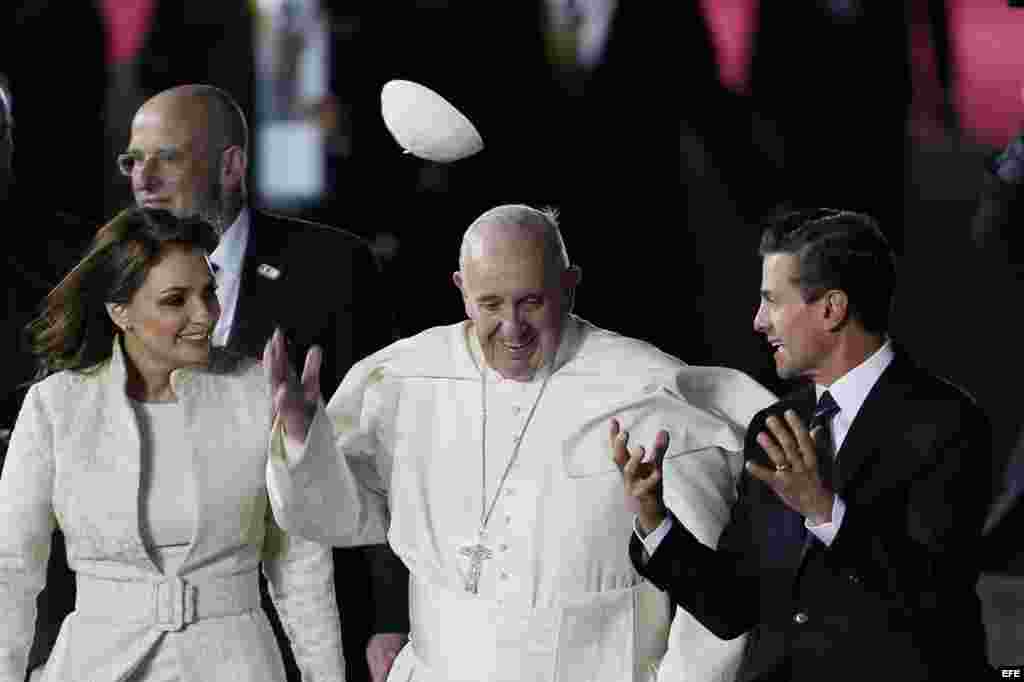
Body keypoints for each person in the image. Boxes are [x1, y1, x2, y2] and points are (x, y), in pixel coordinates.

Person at [262, 203, 778, 681]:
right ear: (461, 289)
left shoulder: (646, 389)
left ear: (570, 287)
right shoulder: (404, 378)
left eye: (531, 302)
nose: (512, 329)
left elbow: (710, 596)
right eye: (490, 304)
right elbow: (337, 517)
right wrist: (303, 441)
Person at [615, 208, 994, 681]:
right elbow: (733, 608)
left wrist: (824, 510)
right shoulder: (774, 425)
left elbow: (932, 596)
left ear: (832, 309)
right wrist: (654, 519)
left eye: (772, 301)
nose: (758, 322)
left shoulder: (948, 421)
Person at [121, 83, 405, 681]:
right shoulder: (108, 283)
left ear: (231, 166)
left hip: (307, 616)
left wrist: (391, 617)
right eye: (132, 161)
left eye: (166, 157)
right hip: (151, 631)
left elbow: (381, 448)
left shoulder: (332, 268)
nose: (144, 178)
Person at [0, 207, 347, 681]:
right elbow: (11, 566)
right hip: (95, 666)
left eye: (209, 293)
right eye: (174, 300)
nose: (204, 315)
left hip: (235, 666)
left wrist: (326, 676)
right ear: (120, 311)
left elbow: (300, 561)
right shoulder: (56, 406)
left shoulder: (259, 392)